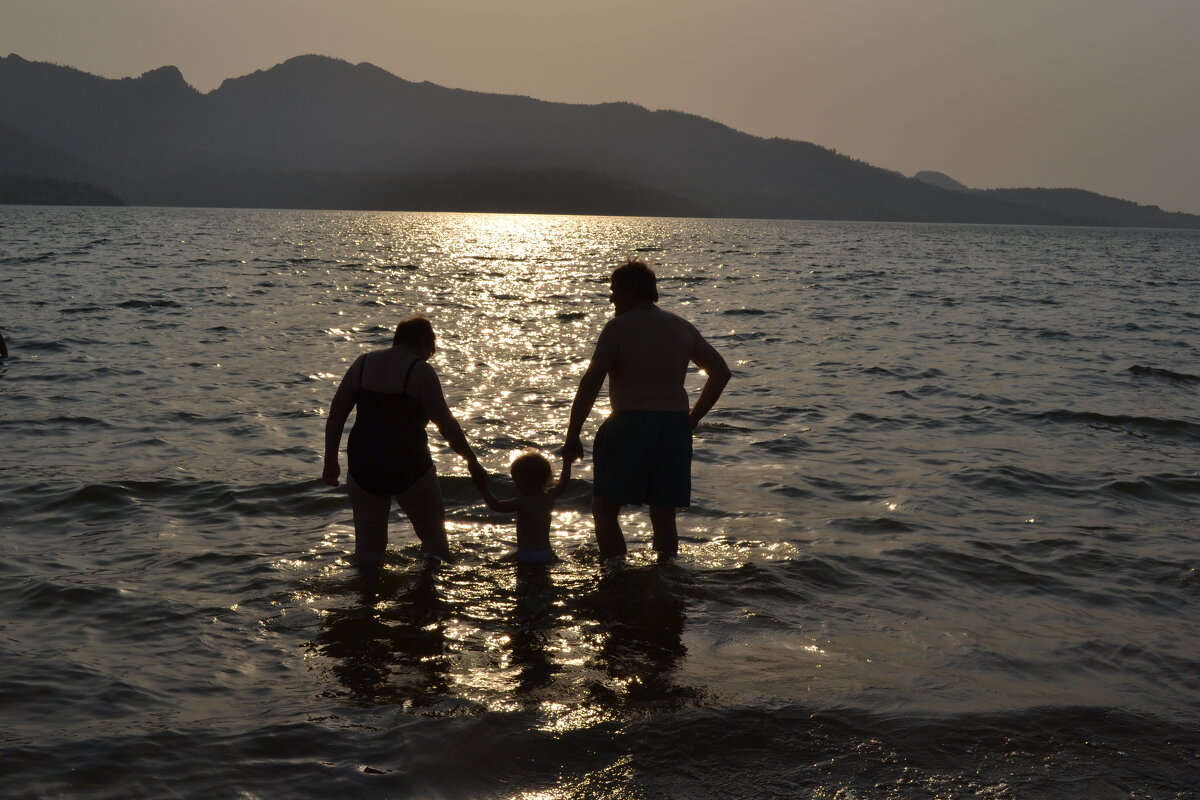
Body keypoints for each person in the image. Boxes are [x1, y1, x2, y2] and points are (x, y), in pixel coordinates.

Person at [563, 259, 731, 561]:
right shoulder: (681, 326)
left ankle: (614, 576)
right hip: (674, 427)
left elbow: (590, 383)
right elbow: (721, 372)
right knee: (664, 514)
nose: (611, 298)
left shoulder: (617, 328)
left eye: (615, 291)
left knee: (604, 508)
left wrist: (572, 434)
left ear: (631, 289)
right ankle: (666, 578)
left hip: (629, 424)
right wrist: (692, 419)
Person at [323, 315, 485, 566]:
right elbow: (446, 424)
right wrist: (471, 461)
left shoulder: (362, 364)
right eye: (430, 349)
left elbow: (336, 417)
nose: (429, 356)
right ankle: (428, 598)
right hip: (409, 462)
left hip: (365, 462)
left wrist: (330, 462)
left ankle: (364, 600)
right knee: (434, 542)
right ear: (422, 342)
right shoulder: (420, 371)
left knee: (367, 550)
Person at [475, 451, 571, 563]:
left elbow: (496, 505)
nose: (515, 486)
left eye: (516, 482)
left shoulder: (521, 502)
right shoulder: (549, 497)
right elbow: (564, 482)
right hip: (546, 553)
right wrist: (567, 462)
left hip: (526, 554)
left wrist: (484, 489)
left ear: (525, 482)